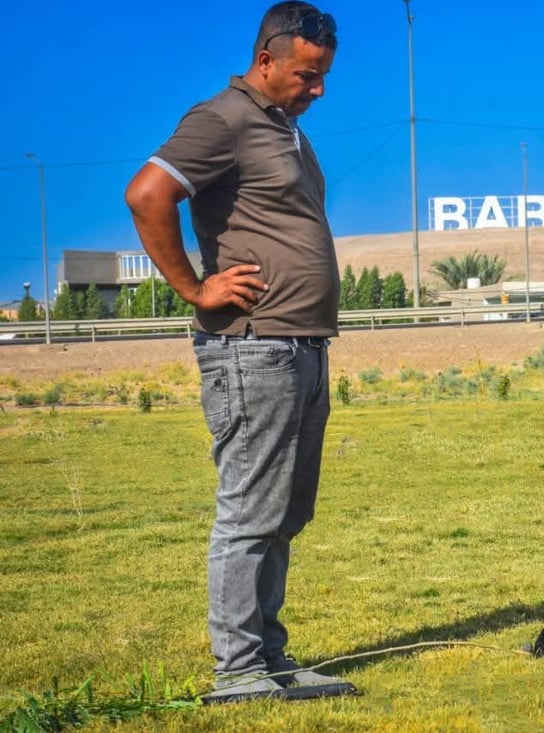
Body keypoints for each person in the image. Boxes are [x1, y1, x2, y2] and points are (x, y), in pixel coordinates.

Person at [125, 2, 356, 703]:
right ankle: (238, 670)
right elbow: (147, 193)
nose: (317, 90)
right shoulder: (222, 118)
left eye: (323, 78)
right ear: (266, 61)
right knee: (250, 511)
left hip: (301, 347)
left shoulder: (284, 129)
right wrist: (194, 288)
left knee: (284, 511)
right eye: (306, 75)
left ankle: (270, 658)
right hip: (253, 348)